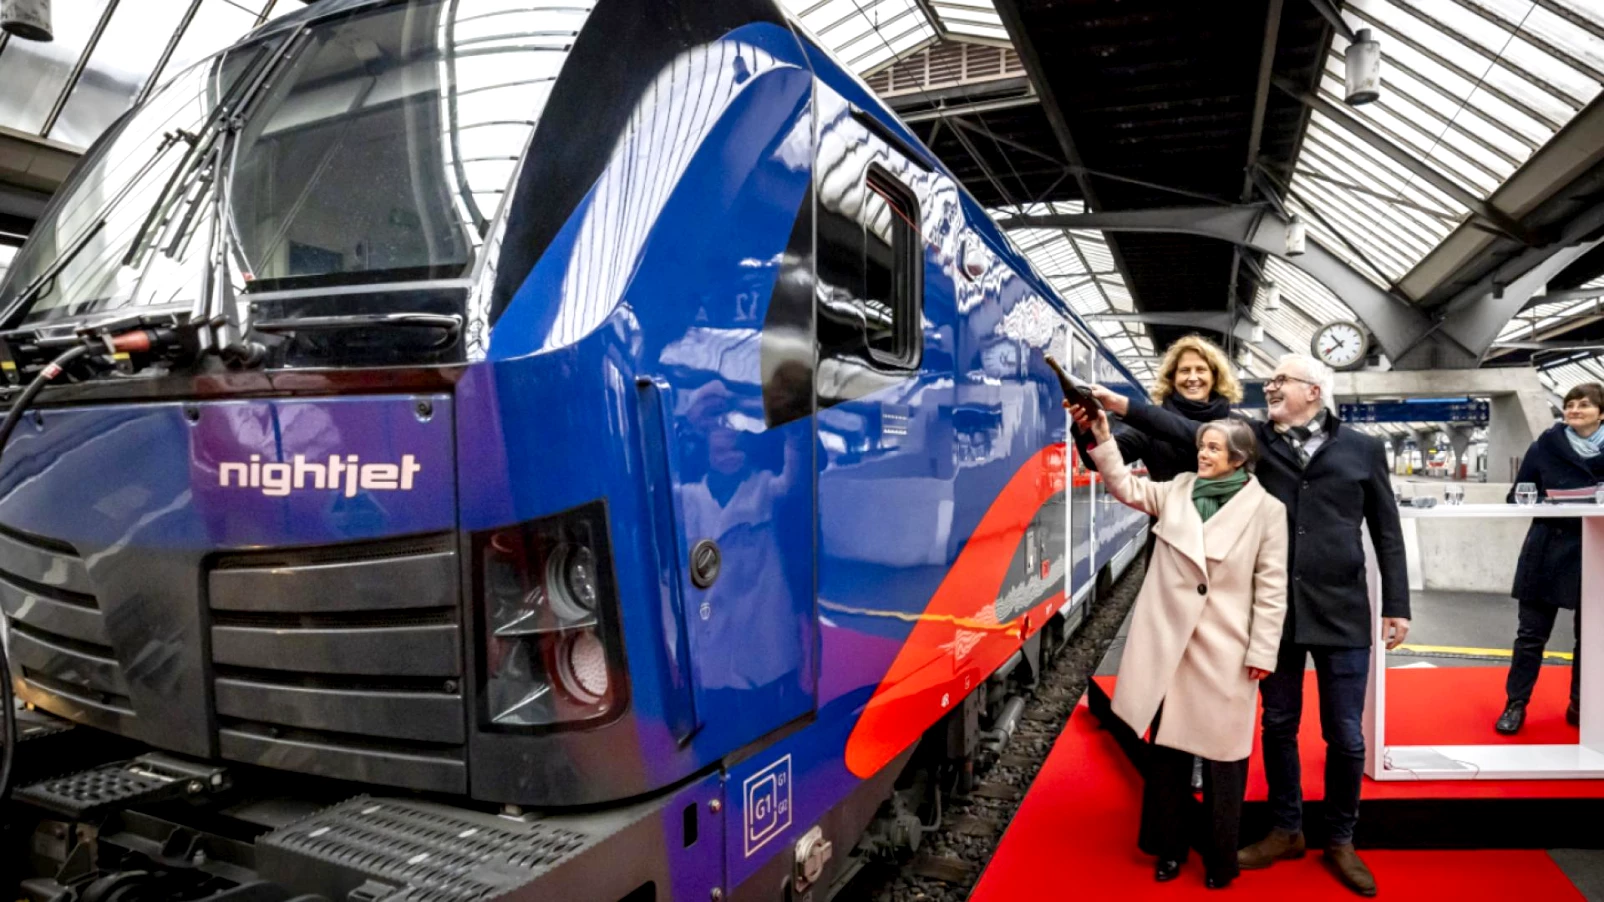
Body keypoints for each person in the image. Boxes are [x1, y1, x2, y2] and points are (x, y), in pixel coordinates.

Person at [1088, 353, 1410, 898]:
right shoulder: (1257, 441)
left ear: (1313, 391)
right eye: (1272, 378)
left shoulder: (1363, 449)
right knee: (1278, 726)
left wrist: (1396, 604)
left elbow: (1386, 529)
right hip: (1276, 616)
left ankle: (1340, 839)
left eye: (1282, 380)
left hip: (1341, 609)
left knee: (1346, 734)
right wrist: (1122, 407)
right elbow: (1183, 429)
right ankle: (1286, 830)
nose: (1271, 386)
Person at [1077, 406, 1287, 889]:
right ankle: (1168, 849)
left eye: (1213, 448)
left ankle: (1220, 857)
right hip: (1170, 643)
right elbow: (1124, 486)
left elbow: (1272, 588)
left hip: (1226, 648)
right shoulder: (1177, 490)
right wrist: (1103, 438)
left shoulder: (1268, 511)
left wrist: (1263, 651)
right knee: (1167, 755)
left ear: (1238, 459)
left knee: (1223, 761)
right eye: (1201, 447)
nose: (1202, 455)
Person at [1497, 382, 1604, 734]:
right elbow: (1517, 495)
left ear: (1601, 412)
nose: (1574, 410)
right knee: (1530, 635)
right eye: (1570, 404)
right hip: (1547, 550)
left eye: (1584, 404)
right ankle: (1515, 704)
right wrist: (1553, 501)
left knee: (1592, 637)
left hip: (1596, 551)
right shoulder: (1545, 445)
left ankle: (1580, 704)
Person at [1074, 334, 1244, 482]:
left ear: (1215, 377)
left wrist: (1119, 404)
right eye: (1185, 371)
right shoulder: (1149, 428)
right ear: (1172, 379)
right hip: (1167, 510)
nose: (1192, 378)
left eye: (1201, 370)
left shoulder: (1236, 425)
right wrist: (1089, 430)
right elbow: (1101, 461)